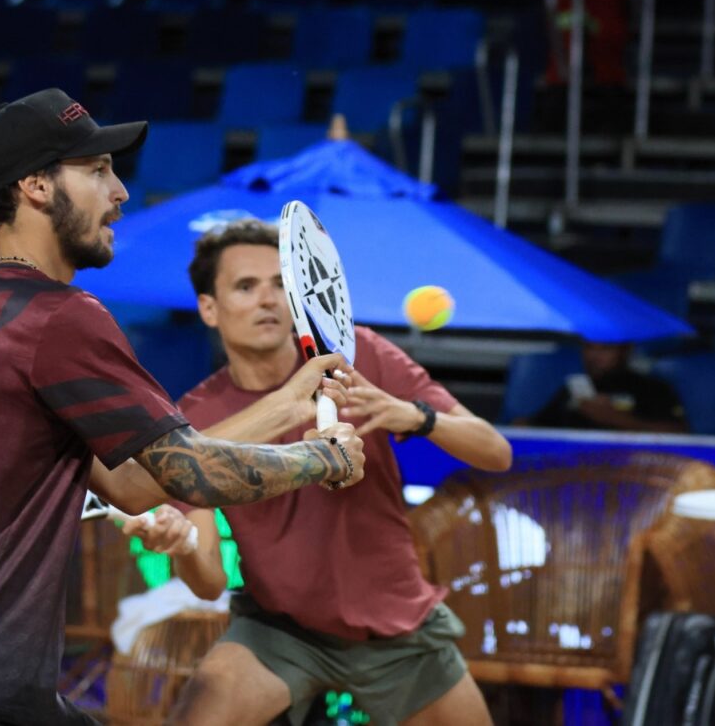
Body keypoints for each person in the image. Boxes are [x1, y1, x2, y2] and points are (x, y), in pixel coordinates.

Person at [0, 90, 366, 726]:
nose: (119, 192)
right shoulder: (60, 318)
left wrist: (287, 403)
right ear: (36, 186)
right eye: (96, 171)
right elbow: (191, 474)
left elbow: (134, 484)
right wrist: (324, 459)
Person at [125, 218, 513, 726]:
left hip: (397, 628)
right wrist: (183, 550)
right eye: (246, 286)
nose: (269, 300)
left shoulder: (360, 354)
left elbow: (496, 452)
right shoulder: (197, 417)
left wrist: (415, 416)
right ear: (209, 309)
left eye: (281, 284)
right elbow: (208, 583)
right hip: (281, 630)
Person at [519, 340, 688, 432]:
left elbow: (679, 432)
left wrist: (617, 419)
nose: (594, 356)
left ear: (625, 350)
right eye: (589, 347)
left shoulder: (651, 388)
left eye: (605, 348)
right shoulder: (573, 388)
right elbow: (538, 426)